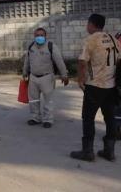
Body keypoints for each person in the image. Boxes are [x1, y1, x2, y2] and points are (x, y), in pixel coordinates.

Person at [70, 14, 120, 162]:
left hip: (95, 86)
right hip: (111, 86)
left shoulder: (91, 39)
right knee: (110, 118)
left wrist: (80, 80)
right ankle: (109, 151)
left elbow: (82, 61)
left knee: (88, 118)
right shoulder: (113, 39)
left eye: (87, 24)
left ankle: (87, 152)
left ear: (91, 24)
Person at [23, 27, 69, 128]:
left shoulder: (51, 46)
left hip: (47, 77)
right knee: (33, 100)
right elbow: (27, 60)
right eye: (37, 35)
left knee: (48, 100)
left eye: (41, 35)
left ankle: (48, 119)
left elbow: (59, 61)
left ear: (45, 36)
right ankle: (35, 118)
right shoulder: (31, 46)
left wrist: (64, 75)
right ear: (34, 36)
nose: (39, 37)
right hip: (33, 77)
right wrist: (25, 72)